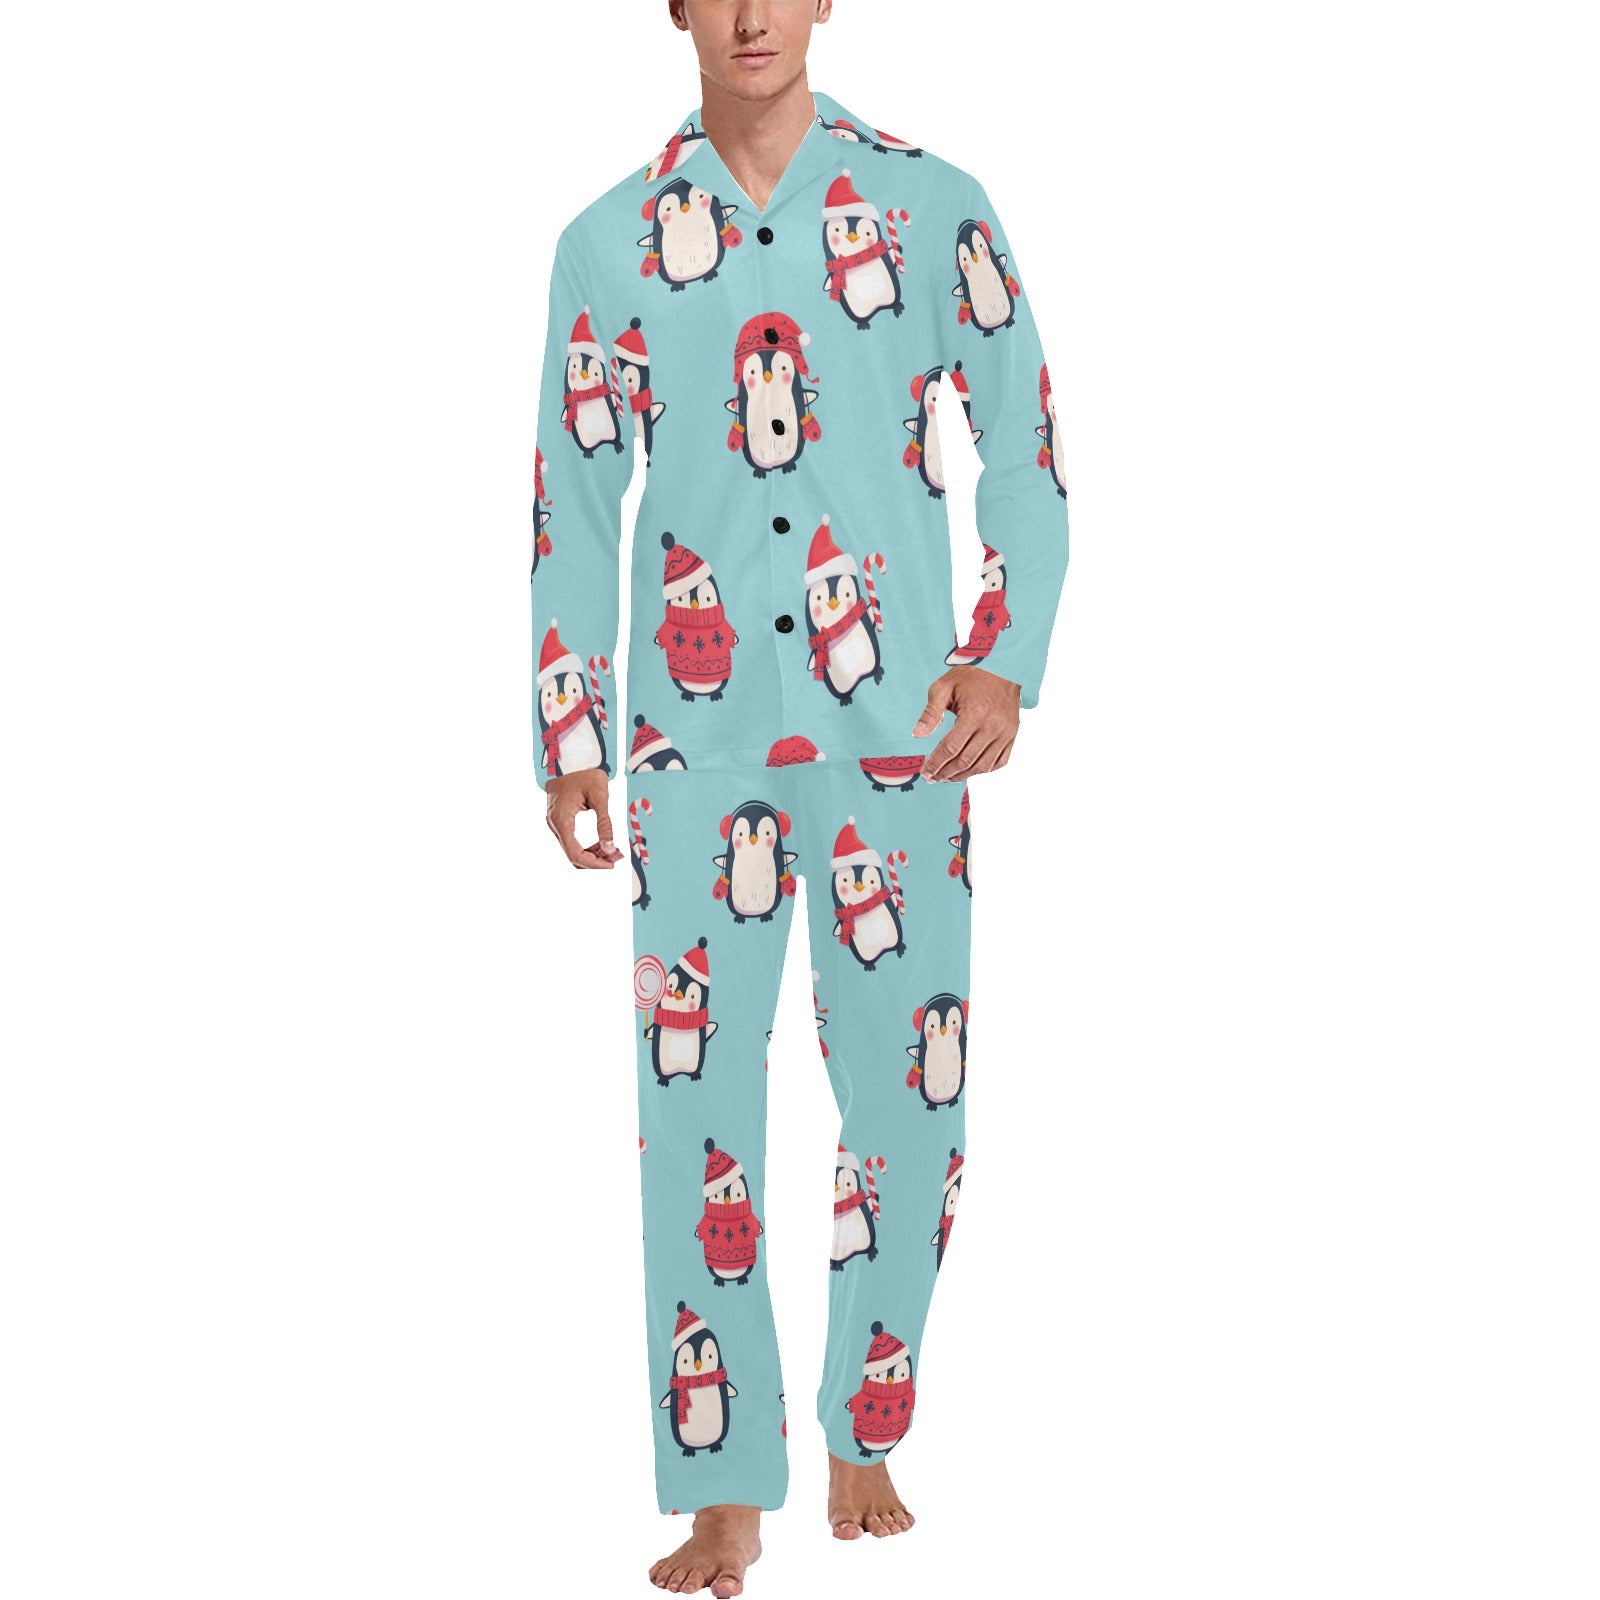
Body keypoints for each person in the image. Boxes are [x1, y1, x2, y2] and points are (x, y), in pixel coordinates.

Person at [529, 3, 1069, 1592]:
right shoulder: (608, 244)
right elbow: (572, 499)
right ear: (673, 6)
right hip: (690, 757)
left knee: (910, 1106)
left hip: (898, 744)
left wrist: (1002, 657)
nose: (753, 14)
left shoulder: (931, 206)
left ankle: (865, 1422)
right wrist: (570, 727)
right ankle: (723, 1488)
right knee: (695, 1120)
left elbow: (1024, 447)